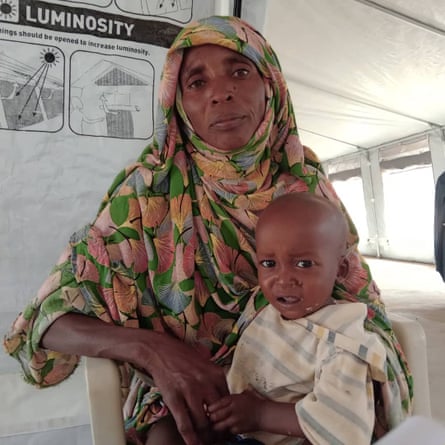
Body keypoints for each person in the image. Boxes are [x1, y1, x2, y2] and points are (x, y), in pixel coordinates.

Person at [3, 15, 412, 445]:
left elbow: (359, 302)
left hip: (305, 387)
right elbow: (46, 321)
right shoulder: (148, 192)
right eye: (197, 83)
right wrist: (153, 350)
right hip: (194, 398)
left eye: (240, 71)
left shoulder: (303, 182)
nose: (221, 93)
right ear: (177, 102)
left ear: (270, 85)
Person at [207, 192, 388, 445]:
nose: (283, 279)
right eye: (269, 263)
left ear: (341, 269)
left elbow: (343, 428)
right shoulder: (263, 313)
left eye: (303, 264)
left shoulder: (343, 343)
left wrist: (259, 414)